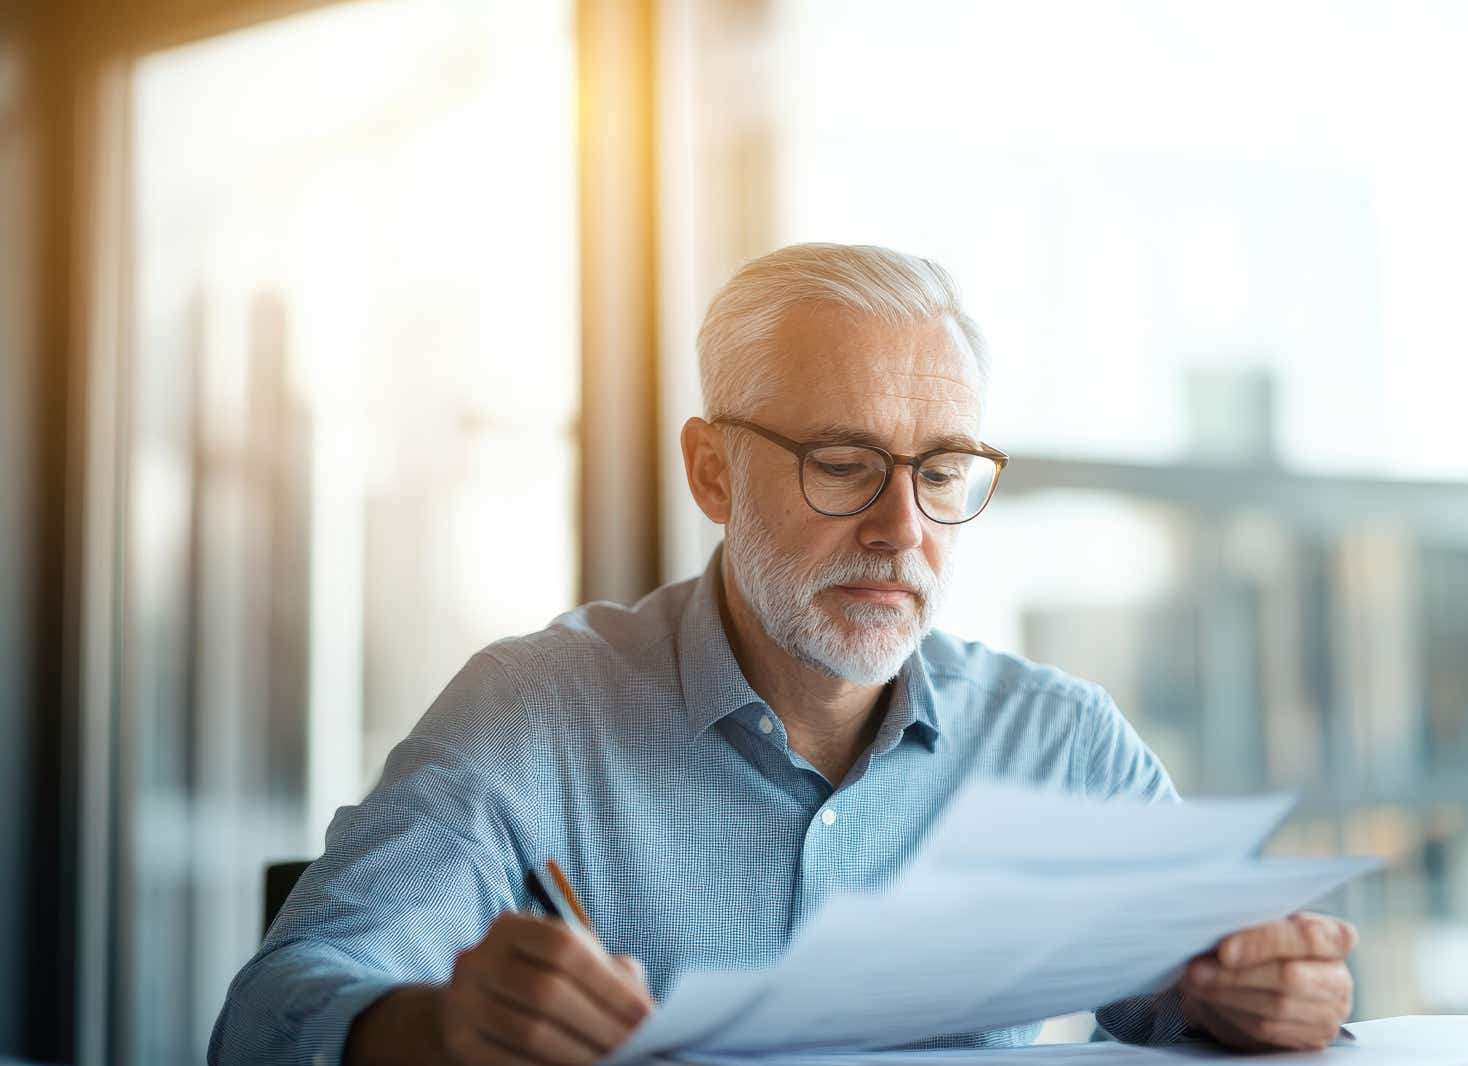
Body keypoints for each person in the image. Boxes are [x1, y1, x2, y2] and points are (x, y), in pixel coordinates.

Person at [209, 243, 1356, 1066]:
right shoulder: (537, 714)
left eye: (942, 470)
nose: (902, 530)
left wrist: (1275, 992)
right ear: (712, 471)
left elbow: (1211, 990)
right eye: (844, 463)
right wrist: (432, 1030)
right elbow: (272, 1014)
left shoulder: (1055, 742)